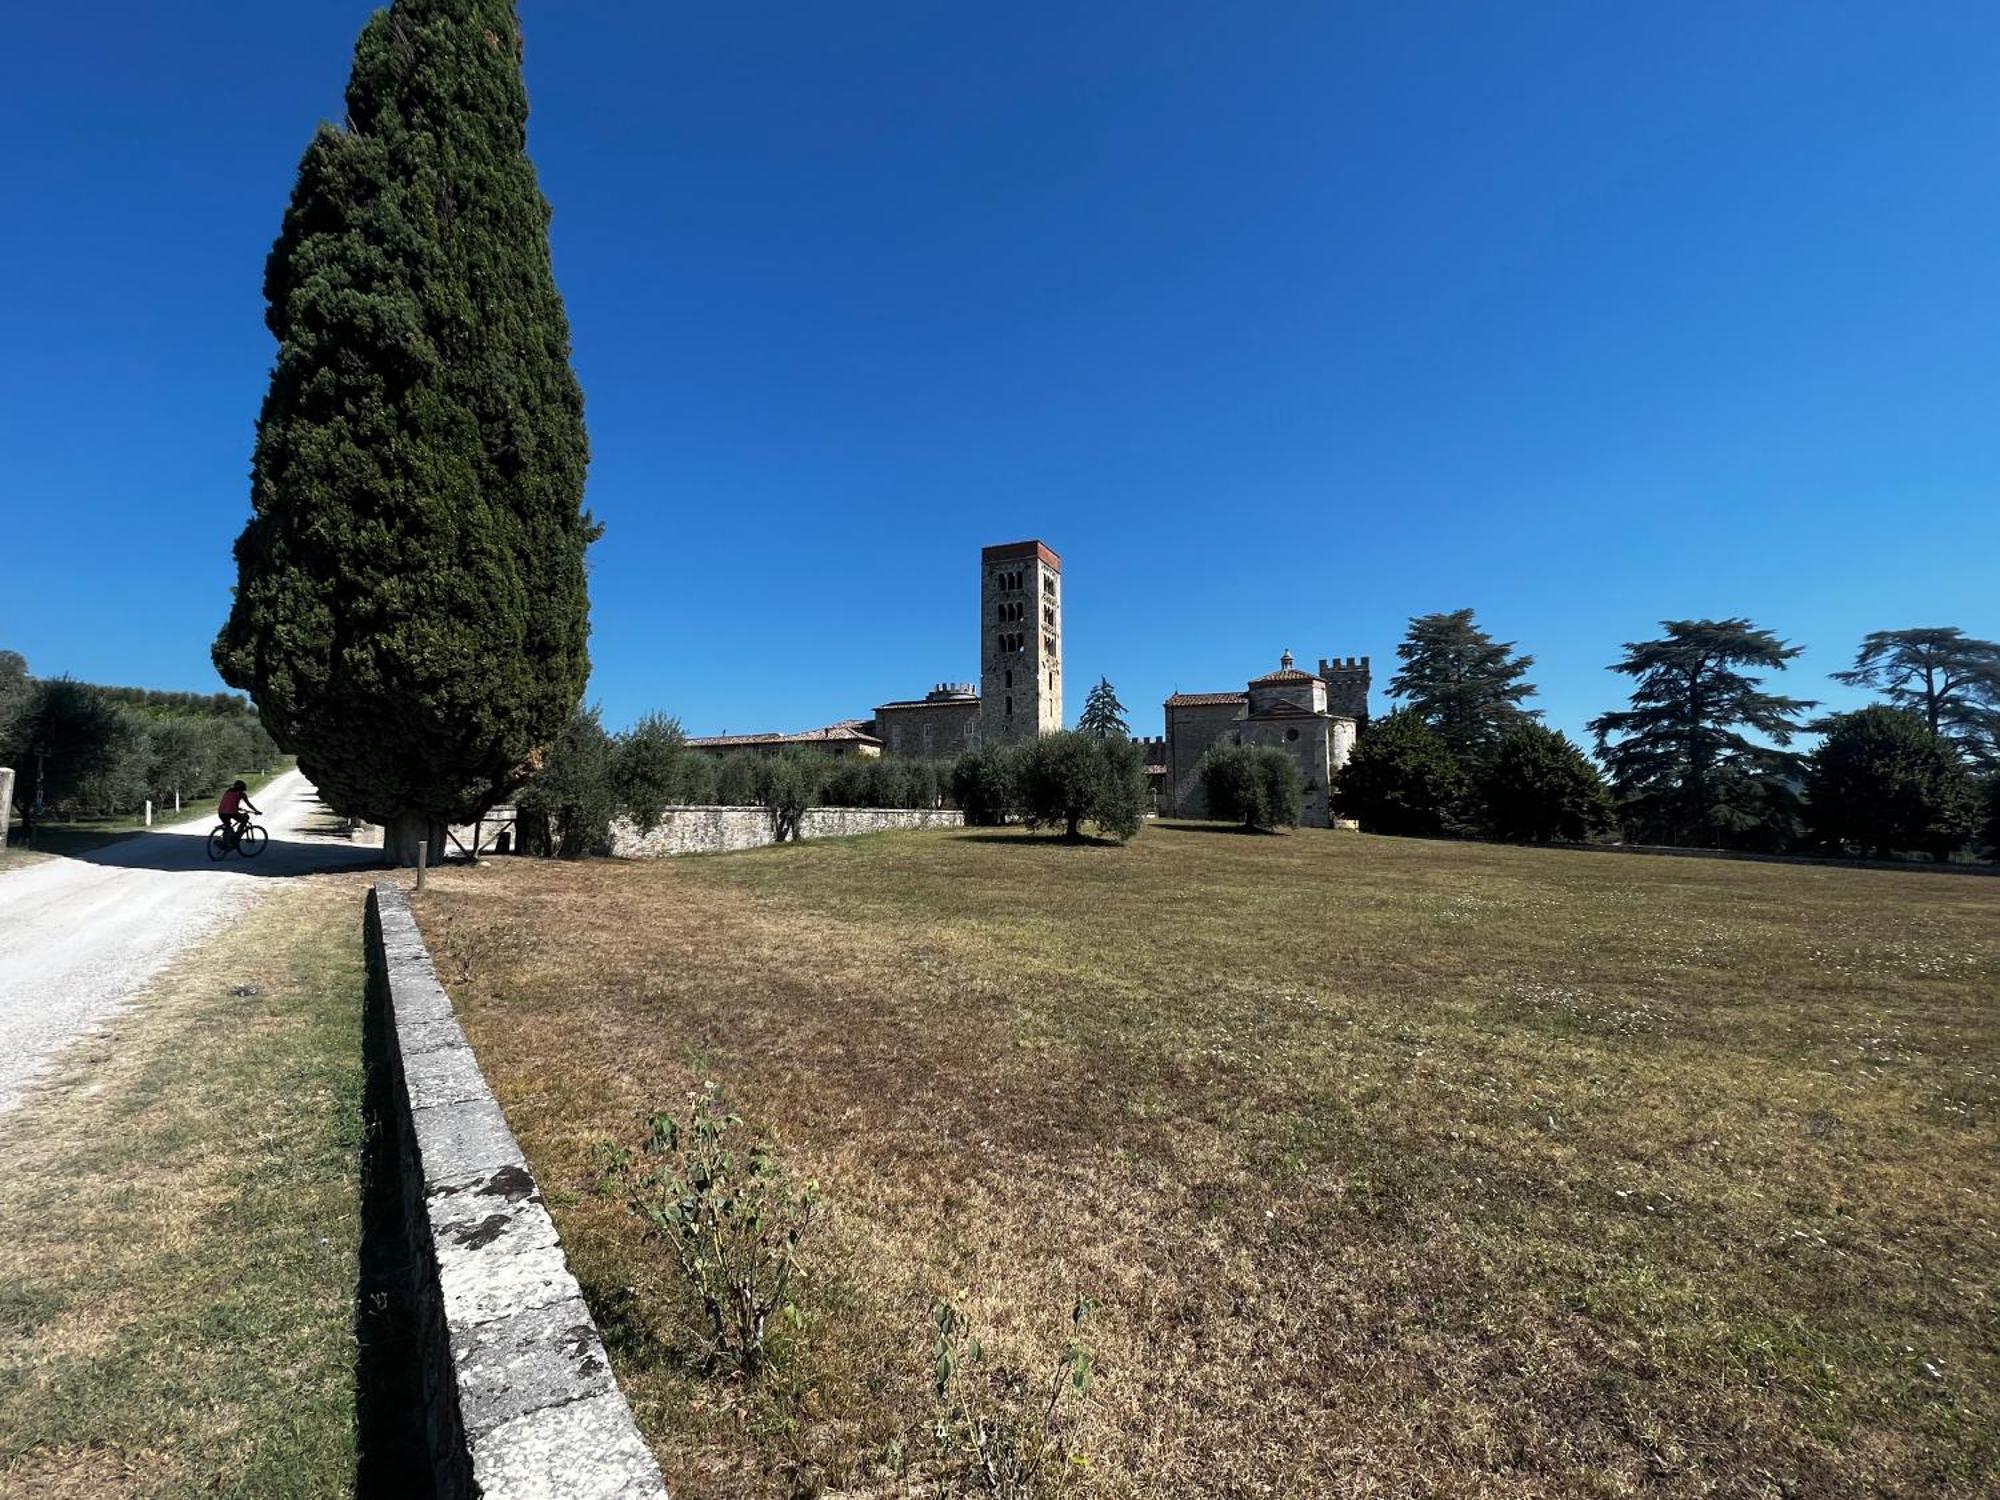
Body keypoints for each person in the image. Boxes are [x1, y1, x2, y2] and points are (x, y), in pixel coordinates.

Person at [217, 780, 260, 849]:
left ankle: (228, 841)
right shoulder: (242, 794)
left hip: (221, 812)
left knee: (228, 827)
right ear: (243, 788)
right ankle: (236, 837)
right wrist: (256, 811)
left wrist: (237, 808)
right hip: (231, 812)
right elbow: (248, 804)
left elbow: (228, 802)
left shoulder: (228, 791)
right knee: (245, 819)